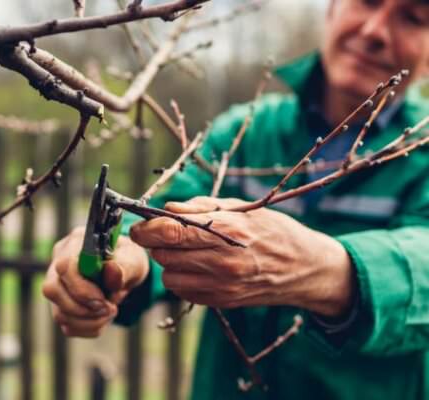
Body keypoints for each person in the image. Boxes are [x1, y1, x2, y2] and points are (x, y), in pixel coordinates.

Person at [42, 0, 429, 398]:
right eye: (366, 2)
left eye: (413, 18)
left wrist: (326, 269)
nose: (375, 32)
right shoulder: (245, 133)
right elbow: (170, 219)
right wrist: (128, 263)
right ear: (332, 8)